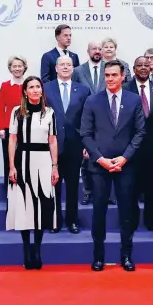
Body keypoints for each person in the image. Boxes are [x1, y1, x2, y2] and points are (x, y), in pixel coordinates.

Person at [80, 60, 145, 272]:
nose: (110, 79)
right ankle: (98, 257)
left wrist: (124, 158)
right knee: (99, 212)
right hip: (100, 166)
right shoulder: (92, 101)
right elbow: (86, 134)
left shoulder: (134, 100)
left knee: (127, 212)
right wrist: (100, 159)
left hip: (126, 166)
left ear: (123, 76)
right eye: (107, 75)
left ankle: (126, 256)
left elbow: (139, 133)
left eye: (114, 75)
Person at [6, 76, 59, 270]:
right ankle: (26, 248)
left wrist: (55, 166)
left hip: (44, 161)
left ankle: (37, 248)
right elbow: (12, 140)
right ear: (25, 92)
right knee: (24, 205)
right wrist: (11, 166)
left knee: (42, 204)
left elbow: (52, 141)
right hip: (22, 160)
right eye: (31, 87)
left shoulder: (50, 113)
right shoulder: (16, 112)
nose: (35, 90)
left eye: (38, 87)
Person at [124, 56, 153, 233]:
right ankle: (132, 221)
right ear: (134, 69)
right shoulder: (125, 89)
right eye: (139, 65)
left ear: (151, 68)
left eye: (146, 65)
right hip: (131, 147)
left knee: (152, 188)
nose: (143, 68)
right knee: (131, 188)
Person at [45, 56, 90, 234]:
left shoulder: (84, 90)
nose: (65, 67)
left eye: (68, 65)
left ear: (73, 68)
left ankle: (72, 220)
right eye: (62, 65)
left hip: (75, 144)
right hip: (51, 144)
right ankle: (54, 221)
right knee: (52, 185)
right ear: (56, 68)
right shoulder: (45, 88)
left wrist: (87, 143)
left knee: (72, 185)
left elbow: (88, 118)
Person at [0, 56, 26, 197]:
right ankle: (9, 186)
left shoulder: (29, 84)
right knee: (9, 158)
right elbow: (1, 107)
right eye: (14, 66)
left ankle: (23, 185)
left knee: (24, 156)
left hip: (26, 127)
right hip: (9, 128)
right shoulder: (5, 85)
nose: (17, 68)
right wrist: (1, 128)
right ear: (10, 68)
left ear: (24, 67)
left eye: (20, 66)